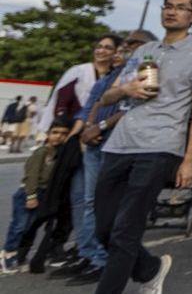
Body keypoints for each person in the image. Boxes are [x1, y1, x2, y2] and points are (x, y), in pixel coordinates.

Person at [93, 0, 192, 294]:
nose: (171, 11)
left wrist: (189, 159)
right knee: (104, 228)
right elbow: (107, 95)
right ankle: (150, 269)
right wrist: (125, 90)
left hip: (160, 146)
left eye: (180, 7)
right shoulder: (143, 52)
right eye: (168, 6)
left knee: (125, 231)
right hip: (120, 143)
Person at [50, 33, 132, 284]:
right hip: (92, 143)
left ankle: (100, 259)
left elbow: (128, 109)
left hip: (111, 145)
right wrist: (85, 130)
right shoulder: (107, 79)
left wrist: (101, 127)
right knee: (83, 201)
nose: (114, 53)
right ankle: (86, 252)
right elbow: (91, 106)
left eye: (117, 49)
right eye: (106, 48)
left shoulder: (132, 78)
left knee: (98, 204)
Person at [1, 118, 69, 273]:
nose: (58, 136)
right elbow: (31, 176)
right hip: (28, 193)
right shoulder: (42, 152)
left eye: (63, 134)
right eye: (55, 133)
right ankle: (6, 258)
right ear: (47, 134)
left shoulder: (58, 154)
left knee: (27, 227)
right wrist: (31, 196)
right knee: (19, 227)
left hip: (41, 194)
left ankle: (14, 256)